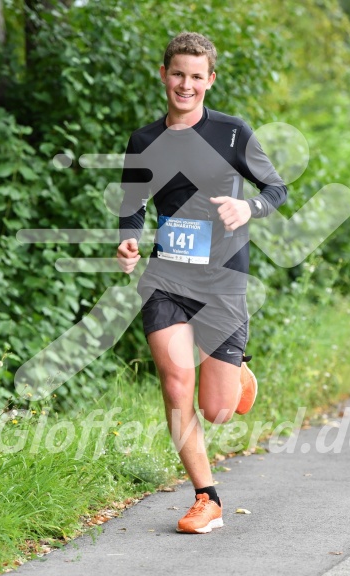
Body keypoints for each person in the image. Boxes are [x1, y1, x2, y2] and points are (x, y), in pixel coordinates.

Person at [117, 32, 287, 534]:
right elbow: (133, 205)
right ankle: (206, 498)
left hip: (223, 280)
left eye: (196, 76)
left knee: (216, 411)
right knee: (175, 386)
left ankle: (236, 378)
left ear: (209, 80)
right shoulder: (144, 141)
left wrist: (247, 206)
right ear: (164, 74)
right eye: (177, 74)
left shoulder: (233, 134)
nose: (185, 84)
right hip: (166, 276)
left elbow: (275, 187)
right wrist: (128, 242)